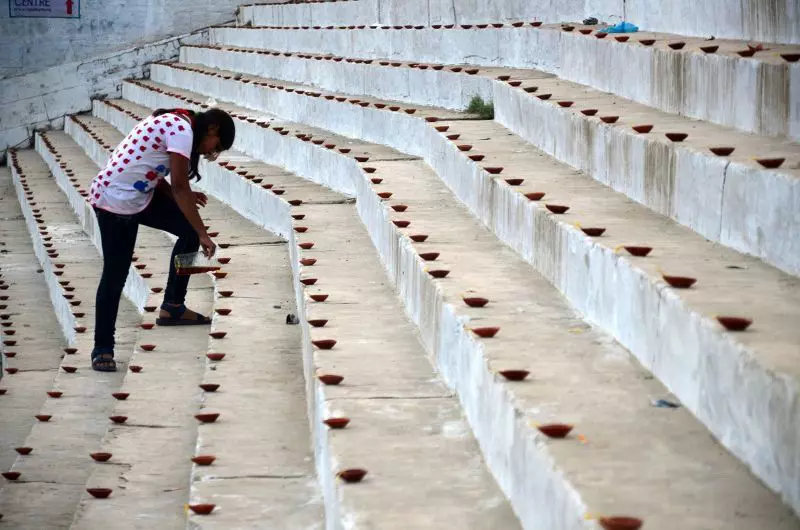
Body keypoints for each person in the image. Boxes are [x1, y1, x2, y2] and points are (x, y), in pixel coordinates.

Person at [88, 107, 235, 371]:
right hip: (114, 201)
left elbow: (151, 172)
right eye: (218, 145)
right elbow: (180, 186)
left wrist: (187, 205)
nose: (212, 151)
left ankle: (173, 306)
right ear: (212, 129)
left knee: (188, 231)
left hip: (140, 196)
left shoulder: (176, 123)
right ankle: (102, 348)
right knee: (115, 276)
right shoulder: (181, 130)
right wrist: (203, 232)